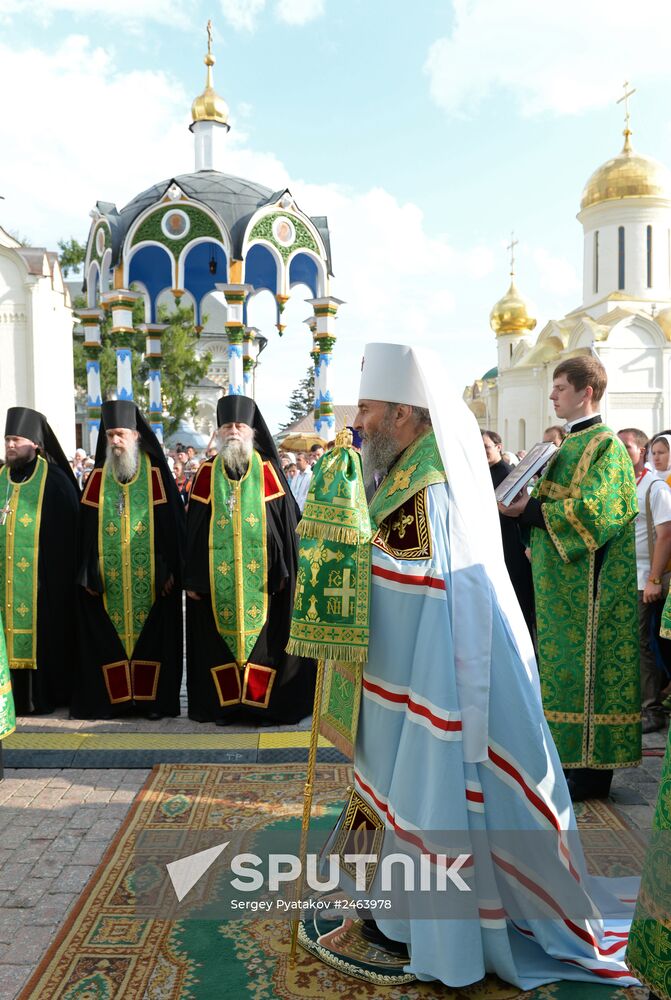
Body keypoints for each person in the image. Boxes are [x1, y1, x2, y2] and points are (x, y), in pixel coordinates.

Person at [312, 342, 639, 989]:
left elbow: (420, 582)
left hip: (439, 680)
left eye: (372, 410)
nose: (362, 423)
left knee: (426, 796)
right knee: (407, 794)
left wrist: (337, 562)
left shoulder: (428, 482)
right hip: (422, 673)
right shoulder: (411, 470)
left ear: (406, 416)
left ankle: (422, 925)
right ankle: (396, 911)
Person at [501, 357, 640, 802]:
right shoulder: (564, 446)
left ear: (587, 392)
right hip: (560, 582)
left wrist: (532, 511)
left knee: (589, 672)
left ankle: (592, 772)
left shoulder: (606, 448)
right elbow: (544, 507)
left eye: (560, 387)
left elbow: (598, 514)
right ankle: (566, 760)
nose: (552, 394)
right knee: (560, 672)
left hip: (591, 590)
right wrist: (520, 507)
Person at [184, 395, 315, 725]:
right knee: (218, 647)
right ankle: (227, 708)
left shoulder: (269, 472)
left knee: (266, 647)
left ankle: (263, 707)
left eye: (239, 425)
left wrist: (283, 569)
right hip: (217, 588)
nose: (233, 431)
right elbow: (195, 531)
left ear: (251, 431)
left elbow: (285, 527)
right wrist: (195, 578)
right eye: (227, 426)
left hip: (265, 585)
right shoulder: (206, 473)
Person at [71, 400, 185, 720]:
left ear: (136, 435)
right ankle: (114, 701)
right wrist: (87, 572)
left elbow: (173, 528)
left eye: (120, 434)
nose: (115, 441)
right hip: (107, 585)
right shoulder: (97, 478)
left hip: (153, 584)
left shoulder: (156, 475)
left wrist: (171, 570)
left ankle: (152, 703)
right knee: (107, 643)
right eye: (109, 436)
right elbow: (84, 532)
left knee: (154, 642)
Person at [0, 408, 80, 714]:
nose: (9, 445)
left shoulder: (55, 481)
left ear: (35, 443)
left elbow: (68, 535)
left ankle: (39, 698)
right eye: (7, 439)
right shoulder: (1, 478)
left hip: (43, 584)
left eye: (16, 440)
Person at [618, 428, 671, 735]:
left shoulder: (655, 487)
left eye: (627, 447)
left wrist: (653, 578)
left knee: (640, 645)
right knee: (628, 644)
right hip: (622, 577)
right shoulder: (621, 484)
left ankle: (651, 709)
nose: (622, 452)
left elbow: (665, 536)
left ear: (641, 451)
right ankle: (634, 702)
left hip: (643, 578)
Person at [482, 429, 535, 634]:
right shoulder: (484, 470)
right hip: (494, 543)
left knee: (516, 604)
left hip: (509, 545)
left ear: (498, 447)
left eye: (486, 447)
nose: (482, 451)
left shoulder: (506, 473)